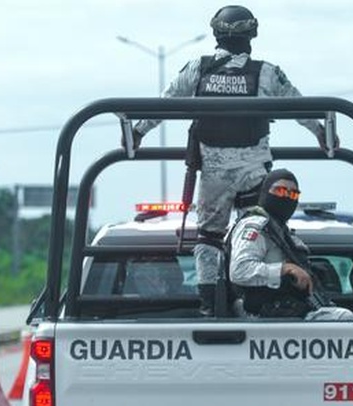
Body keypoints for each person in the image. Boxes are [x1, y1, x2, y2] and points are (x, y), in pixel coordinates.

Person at [124, 5, 338, 315]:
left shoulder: (197, 69)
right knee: (263, 228)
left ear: (215, 34)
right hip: (256, 174)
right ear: (252, 35)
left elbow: (164, 103)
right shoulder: (267, 72)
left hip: (213, 175)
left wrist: (137, 133)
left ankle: (211, 305)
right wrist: (322, 133)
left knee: (209, 237)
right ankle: (260, 297)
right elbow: (300, 106)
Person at [227, 168, 353, 320]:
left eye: (293, 194)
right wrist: (285, 269)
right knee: (344, 318)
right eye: (280, 191)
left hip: (291, 313)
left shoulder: (282, 232)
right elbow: (239, 271)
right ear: (266, 191)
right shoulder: (255, 225)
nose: (287, 197)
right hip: (260, 316)